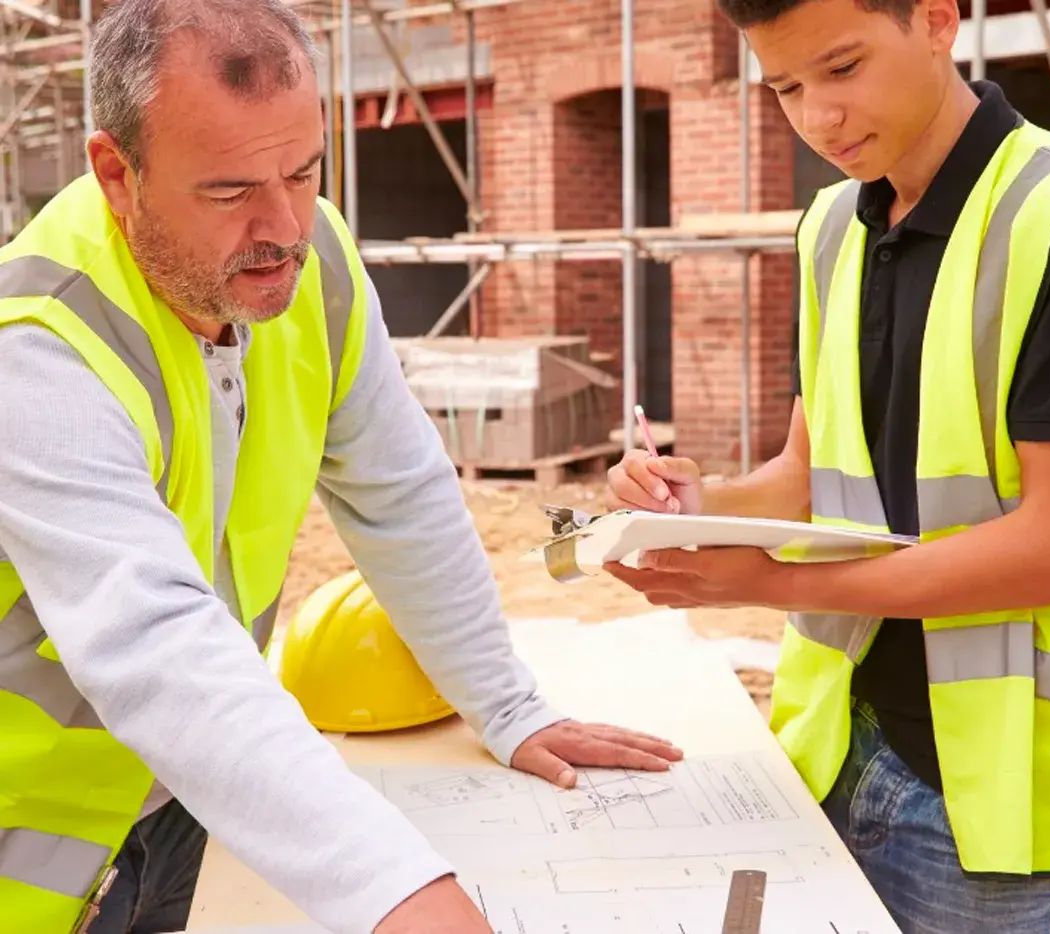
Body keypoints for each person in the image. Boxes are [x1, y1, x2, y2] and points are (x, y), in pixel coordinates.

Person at [0, 2, 684, 933]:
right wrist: (397, 890)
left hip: (193, 807)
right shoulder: (37, 348)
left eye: (303, 169)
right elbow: (156, 645)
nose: (284, 224)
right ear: (118, 174)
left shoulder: (309, 259)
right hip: (36, 851)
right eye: (231, 189)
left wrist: (507, 706)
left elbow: (402, 497)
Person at [604, 1, 1050, 932]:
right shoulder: (832, 225)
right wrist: (695, 503)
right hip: (837, 743)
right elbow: (809, 470)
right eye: (785, 86)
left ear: (939, 20)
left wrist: (764, 582)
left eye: (843, 68)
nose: (818, 117)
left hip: (992, 793)